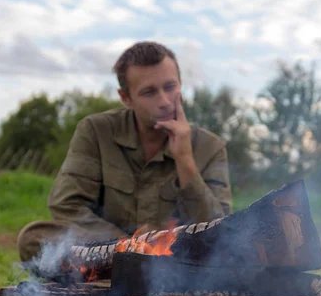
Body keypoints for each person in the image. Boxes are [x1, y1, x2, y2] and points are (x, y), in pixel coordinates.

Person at [17, 41, 233, 262]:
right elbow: (67, 205)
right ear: (126, 98)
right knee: (35, 239)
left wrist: (185, 160)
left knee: (231, 255)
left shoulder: (210, 146)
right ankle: (119, 278)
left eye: (170, 87)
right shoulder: (96, 131)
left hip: (175, 259)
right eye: (149, 92)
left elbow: (219, 231)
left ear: (180, 84)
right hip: (108, 252)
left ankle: (114, 286)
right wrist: (128, 246)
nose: (165, 101)